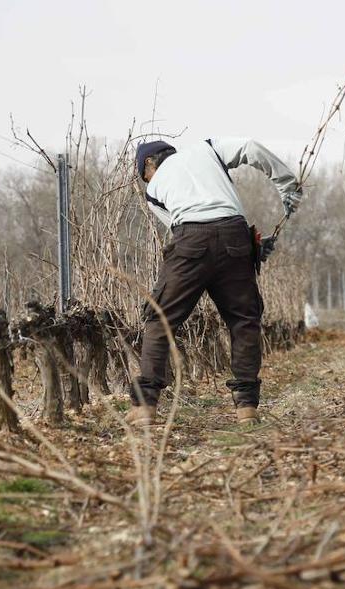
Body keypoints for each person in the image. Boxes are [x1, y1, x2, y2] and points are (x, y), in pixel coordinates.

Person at [128, 137, 302, 426]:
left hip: (190, 242)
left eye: (144, 176)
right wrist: (288, 186)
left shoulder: (153, 192)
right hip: (234, 235)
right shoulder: (207, 150)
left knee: (160, 319)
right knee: (244, 320)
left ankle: (146, 405)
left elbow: (180, 227)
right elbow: (251, 148)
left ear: (149, 163)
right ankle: (247, 409)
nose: (147, 182)